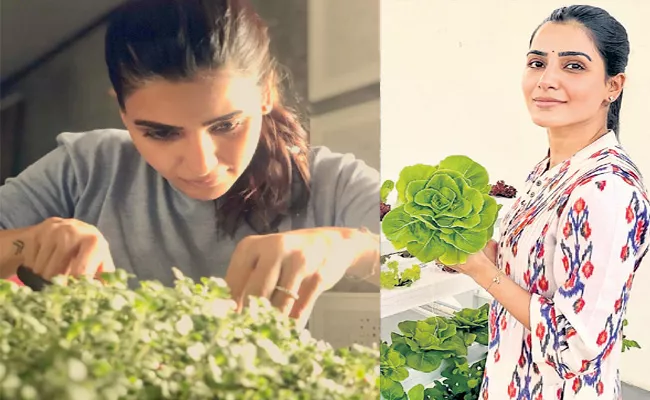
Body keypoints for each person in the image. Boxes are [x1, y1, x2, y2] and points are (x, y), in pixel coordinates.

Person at [0, 0, 380, 322]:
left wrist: (346, 247)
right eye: (161, 133)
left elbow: (434, 255)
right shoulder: (85, 168)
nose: (201, 165)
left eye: (227, 124)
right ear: (122, 111)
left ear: (266, 93)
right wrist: (28, 243)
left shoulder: (332, 181)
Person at [449, 5, 649, 400]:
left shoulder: (606, 189)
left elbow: (576, 345)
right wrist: (487, 254)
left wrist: (480, 272)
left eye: (573, 66)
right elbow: (539, 278)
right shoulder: (553, 170)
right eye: (537, 63)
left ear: (613, 85)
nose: (547, 80)